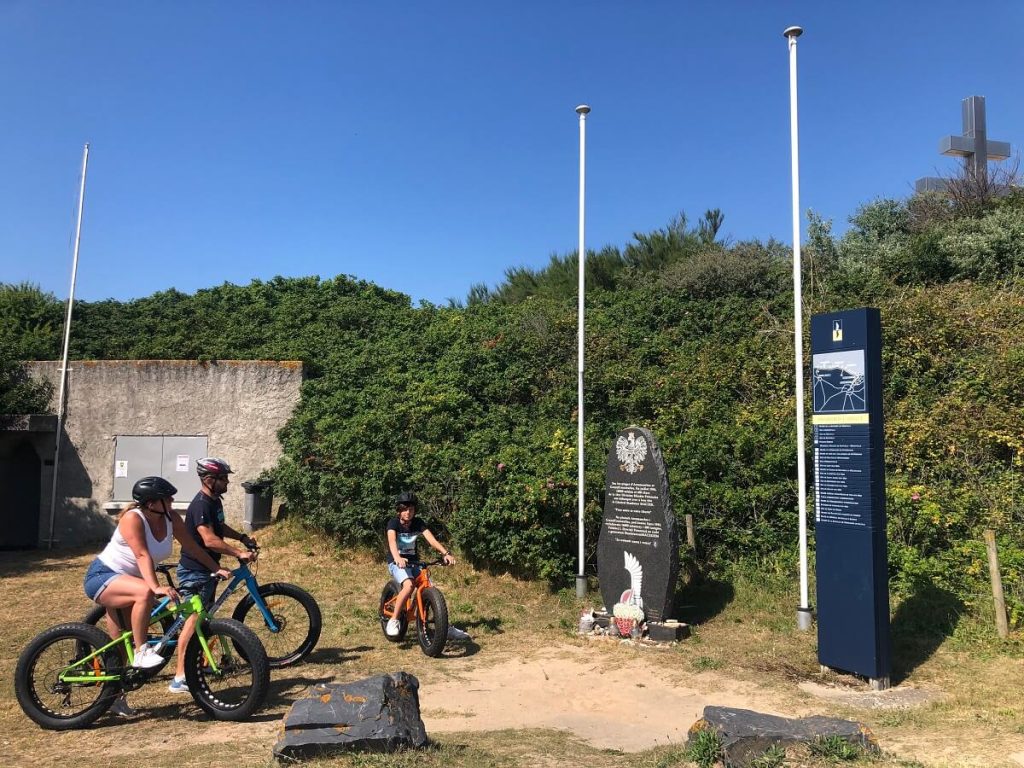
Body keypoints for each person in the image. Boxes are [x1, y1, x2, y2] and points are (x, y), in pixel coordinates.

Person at [83, 476, 230, 716]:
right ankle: (143, 651)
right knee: (144, 594)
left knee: (120, 646)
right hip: (103, 577)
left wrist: (215, 568)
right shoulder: (133, 518)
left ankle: (114, 698)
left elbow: (192, 547)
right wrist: (155, 587)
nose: (172, 500)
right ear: (151, 503)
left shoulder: (171, 518)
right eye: (167, 497)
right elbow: (142, 555)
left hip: (129, 582)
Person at [168, 457, 256, 694]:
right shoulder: (201, 504)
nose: (227, 482)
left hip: (206, 569)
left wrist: (241, 537)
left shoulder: (214, 501)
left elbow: (219, 528)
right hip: (195, 570)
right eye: (223, 478)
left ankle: (196, 664)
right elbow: (208, 539)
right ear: (209, 480)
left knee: (203, 619)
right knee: (194, 621)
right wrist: (238, 552)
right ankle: (180, 677)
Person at [384, 491, 455, 637]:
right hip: (396, 562)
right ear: (399, 510)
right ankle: (394, 619)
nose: (408, 513)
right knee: (409, 585)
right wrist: (397, 557)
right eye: (404, 509)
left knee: (429, 587)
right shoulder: (393, 523)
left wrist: (445, 553)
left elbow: (432, 540)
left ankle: (443, 626)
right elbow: (392, 541)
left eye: (411, 510)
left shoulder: (418, 523)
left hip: (413, 562)